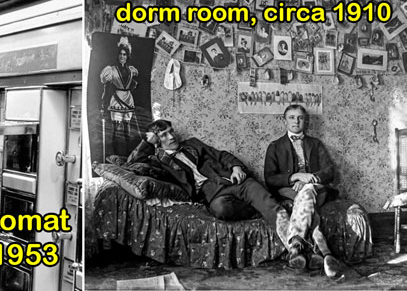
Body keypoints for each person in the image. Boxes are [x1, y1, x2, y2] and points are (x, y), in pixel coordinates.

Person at [126, 120, 294, 260]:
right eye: (163, 135)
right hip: (212, 195)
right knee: (222, 210)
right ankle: (261, 210)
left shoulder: (193, 144)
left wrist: (236, 167)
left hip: (235, 181)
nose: (171, 136)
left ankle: (294, 247)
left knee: (267, 202)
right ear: (156, 140)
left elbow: (220, 155)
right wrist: (147, 142)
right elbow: (131, 165)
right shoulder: (158, 161)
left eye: (171, 131)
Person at [264, 105, 343, 279]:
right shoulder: (275, 146)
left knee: (307, 191)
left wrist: (311, 178)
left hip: (315, 188)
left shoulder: (315, 144)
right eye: (291, 117)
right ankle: (323, 252)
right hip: (288, 190)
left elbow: (329, 171)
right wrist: (295, 177)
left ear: (305, 121)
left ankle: (295, 246)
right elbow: (269, 178)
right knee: (308, 207)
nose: (296, 121)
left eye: (300, 118)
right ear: (285, 120)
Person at [100, 36, 140, 156]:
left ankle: (128, 155)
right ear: (117, 55)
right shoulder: (111, 70)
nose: (122, 56)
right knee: (116, 129)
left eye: (124, 54)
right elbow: (106, 87)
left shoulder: (132, 70)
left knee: (127, 129)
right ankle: (115, 154)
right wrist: (103, 103)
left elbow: (132, 83)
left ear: (128, 56)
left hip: (128, 98)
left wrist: (133, 85)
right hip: (117, 99)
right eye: (120, 54)